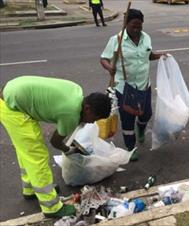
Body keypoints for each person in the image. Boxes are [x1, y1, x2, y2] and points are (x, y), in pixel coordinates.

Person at [0, 75, 111, 218]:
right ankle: (51, 207)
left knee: (26, 152)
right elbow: (55, 142)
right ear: (88, 108)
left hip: (13, 91)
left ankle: (31, 189)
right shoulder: (70, 114)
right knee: (36, 157)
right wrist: (69, 150)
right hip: (13, 108)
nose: (91, 123)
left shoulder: (77, 92)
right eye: (94, 119)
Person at [100, 9, 165, 161]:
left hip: (144, 85)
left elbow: (148, 55)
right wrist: (110, 68)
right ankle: (131, 147)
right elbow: (103, 58)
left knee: (146, 113)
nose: (136, 29)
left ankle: (141, 129)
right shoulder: (116, 40)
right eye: (133, 26)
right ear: (125, 24)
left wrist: (161, 56)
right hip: (124, 87)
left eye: (139, 25)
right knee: (127, 119)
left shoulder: (146, 38)